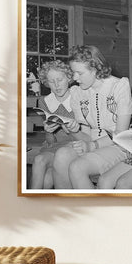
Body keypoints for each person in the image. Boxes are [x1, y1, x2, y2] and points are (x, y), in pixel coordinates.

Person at [52, 45, 132, 189]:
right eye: (73, 72)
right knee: (61, 155)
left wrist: (92, 145)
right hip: (91, 146)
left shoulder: (119, 86)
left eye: (79, 73)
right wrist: (72, 129)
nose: (75, 78)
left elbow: (121, 135)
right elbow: (86, 137)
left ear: (95, 69)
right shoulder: (78, 92)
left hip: (118, 147)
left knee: (77, 167)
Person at [30, 60, 87, 189]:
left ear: (68, 78)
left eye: (60, 79)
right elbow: (50, 142)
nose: (56, 85)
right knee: (39, 160)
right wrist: (48, 131)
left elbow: (86, 136)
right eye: (51, 81)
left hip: (74, 146)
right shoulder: (46, 101)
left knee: (48, 178)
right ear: (46, 82)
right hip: (54, 147)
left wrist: (71, 129)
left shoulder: (78, 96)